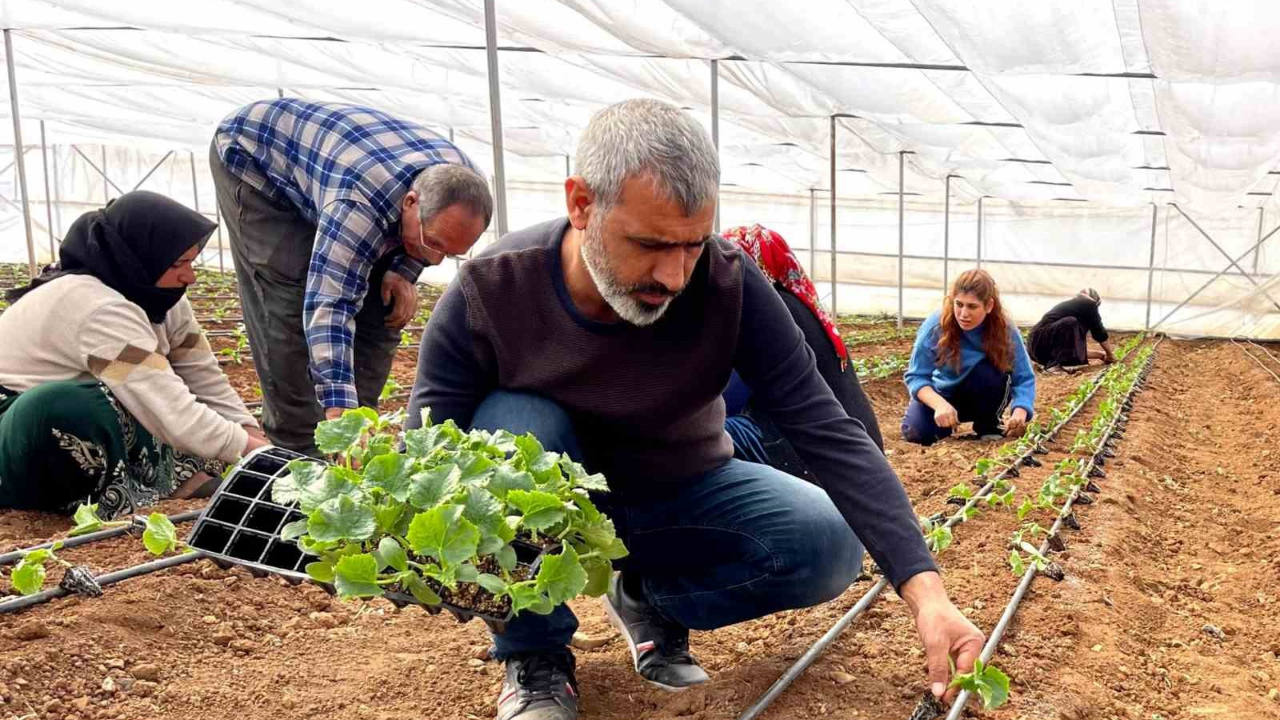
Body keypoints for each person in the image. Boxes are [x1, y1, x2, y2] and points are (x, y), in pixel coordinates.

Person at [408, 99, 983, 720]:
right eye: (649, 244)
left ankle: (651, 599)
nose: (674, 274)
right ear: (580, 204)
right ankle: (536, 653)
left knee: (828, 543)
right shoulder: (492, 289)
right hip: (562, 508)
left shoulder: (729, 282)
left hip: (680, 490)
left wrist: (927, 594)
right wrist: (440, 557)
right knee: (513, 425)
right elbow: (430, 447)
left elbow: (827, 428)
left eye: (691, 245)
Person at [210, 98, 493, 456]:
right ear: (410, 203)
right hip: (256, 160)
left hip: (343, 169)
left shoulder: (466, 189)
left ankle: (355, 443)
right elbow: (329, 304)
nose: (435, 260)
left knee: (383, 301)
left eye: (449, 253)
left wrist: (402, 270)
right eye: (431, 244)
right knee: (287, 299)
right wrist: (337, 404)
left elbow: (432, 241)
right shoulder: (358, 204)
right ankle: (296, 452)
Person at [0, 191, 269, 519]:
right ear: (138, 257)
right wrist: (258, 455)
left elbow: (201, 373)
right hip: (16, 427)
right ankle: (119, 490)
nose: (190, 276)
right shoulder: (97, 309)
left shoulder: (162, 299)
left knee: (150, 391)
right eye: (179, 264)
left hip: (109, 400)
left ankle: (174, 475)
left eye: (192, 262)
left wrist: (250, 433)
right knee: (70, 405)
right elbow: (170, 410)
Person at [719, 224, 885, 479]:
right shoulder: (800, 303)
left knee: (705, 437)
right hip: (856, 448)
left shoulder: (771, 310)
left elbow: (732, 397)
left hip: (806, 451)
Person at [901, 269, 1036, 446]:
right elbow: (916, 376)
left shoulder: (1004, 330)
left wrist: (1020, 410)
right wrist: (939, 405)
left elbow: (1024, 377)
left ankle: (989, 423)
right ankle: (948, 421)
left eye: (972, 306)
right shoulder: (935, 326)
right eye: (959, 304)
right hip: (943, 394)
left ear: (989, 306)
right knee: (917, 433)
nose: (964, 314)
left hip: (981, 392)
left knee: (988, 371)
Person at [1028, 288, 1115, 372]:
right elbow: (1100, 333)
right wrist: (1110, 354)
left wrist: (1102, 356)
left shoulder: (1071, 310)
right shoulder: (1088, 304)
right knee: (1070, 322)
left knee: (1071, 323)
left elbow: (1073, 351)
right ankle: (1053, 366)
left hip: (1035, 349)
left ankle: (1052, 364)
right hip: (1040, 343)